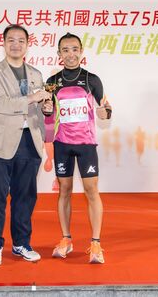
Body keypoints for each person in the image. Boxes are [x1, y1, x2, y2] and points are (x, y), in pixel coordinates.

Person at [0, 24, 50, 266]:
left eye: (21, 40)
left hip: (30, 142)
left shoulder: (36, 74)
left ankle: (21, 243)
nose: (16, 44)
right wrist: (32, 98)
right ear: (3, 43)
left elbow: (39, 110)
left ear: (27, 45)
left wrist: (46, 108)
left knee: (25, 197)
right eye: (11, 40)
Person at [42, 33, 112, 264]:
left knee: (92, 191)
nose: (70, 54)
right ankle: (66, 239)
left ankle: (96, 242)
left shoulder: (92, 80)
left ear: (81, 51)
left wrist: (105, 113)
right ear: (59, 54)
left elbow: (106, 109)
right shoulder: (52, 81)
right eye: (65, 50)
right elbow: (48, 115)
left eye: (74, 49)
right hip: (62, 144)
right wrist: (45, 110)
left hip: (86, 144)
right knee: (64, 190)